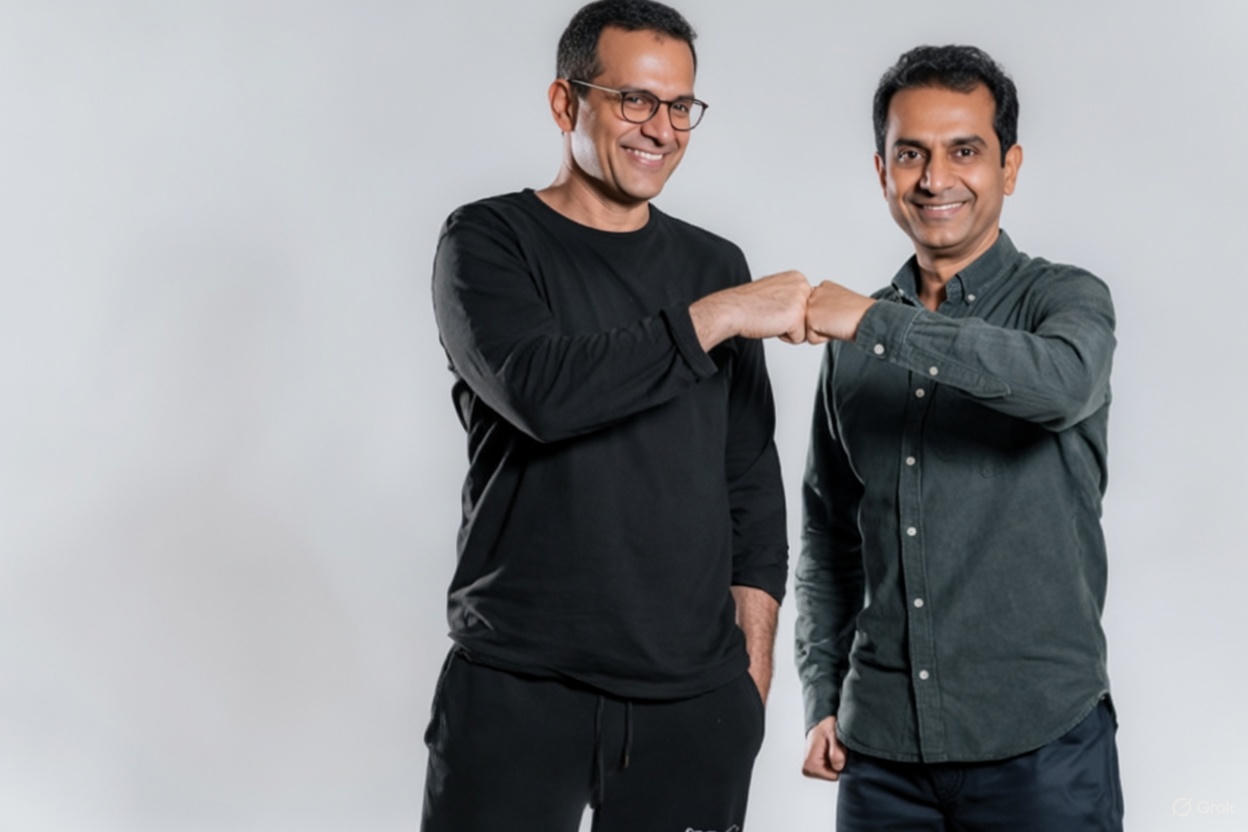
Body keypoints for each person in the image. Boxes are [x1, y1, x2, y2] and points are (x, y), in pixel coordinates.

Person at [424, 2, 809, 829]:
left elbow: (749, 487)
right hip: (516, 686)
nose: (661, 129)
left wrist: (748, 686)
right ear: (565, 102)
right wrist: (718, 316)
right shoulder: (487, 241)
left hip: (694, 705)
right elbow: (541, 392)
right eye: (635, 99)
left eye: (680, 106)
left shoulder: (715, 264)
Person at [794, 45, 1124, 830]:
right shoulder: (852, 346)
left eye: (964, 151)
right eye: (911, 154)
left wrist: (876, 322)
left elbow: (1059, 385)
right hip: (881, 756)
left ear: (1009, 167)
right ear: (883, 172)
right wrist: (822, 694)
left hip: (1042, 747)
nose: (935, 178)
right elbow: (829, 537)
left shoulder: (1065, 301)